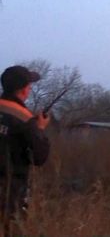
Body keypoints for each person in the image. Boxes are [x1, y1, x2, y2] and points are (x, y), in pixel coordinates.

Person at [0, 65, 49, 227]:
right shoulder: (25, 119)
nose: (29, 89)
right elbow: (39, 158)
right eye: (29, 86)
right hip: (10, 194)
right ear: (23, 90)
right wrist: (40, 129)